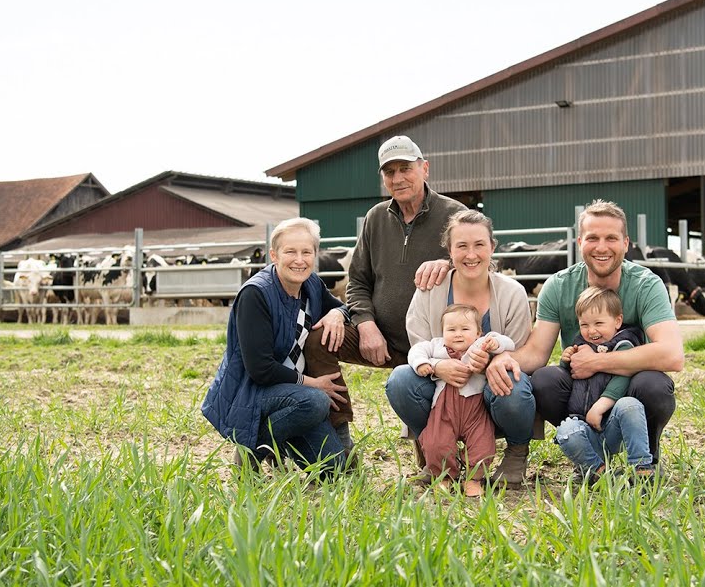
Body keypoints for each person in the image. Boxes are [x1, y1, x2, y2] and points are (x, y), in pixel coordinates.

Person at [484, 199, 685, 483]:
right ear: (580, 242)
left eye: (611, 238)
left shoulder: (646, 284)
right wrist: (506, 358)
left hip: (629, 390)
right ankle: (587, 450)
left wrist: (598, 361)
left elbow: (672, 354)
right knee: (543, 380)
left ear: (626, 243)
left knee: (654, 385)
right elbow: (537, 352)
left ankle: (647, 458)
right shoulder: (559, 285)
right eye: (593, 238)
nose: (601, 247)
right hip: (583, 392)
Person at [303, 135, 466, 453]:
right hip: (380, 340)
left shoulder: (455, 215)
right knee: (317, 339)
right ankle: (339, 437)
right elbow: (358, 282)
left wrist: (450, 263)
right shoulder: (375, 219)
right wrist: (364, 323)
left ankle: (442, 440)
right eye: (389, 172)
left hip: (436, 346)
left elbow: (487, 264)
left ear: (425, 169)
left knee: (435, 465)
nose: (398, 178)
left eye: (405, 168)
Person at [386, 209, 535, 485]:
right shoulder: (430, 290)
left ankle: (516, 452)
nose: (471, 254)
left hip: (489, 394)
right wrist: (439, 367)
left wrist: (490, 363)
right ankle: (435, 451)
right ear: (449, 251)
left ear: (492, 247)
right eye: (461, 246)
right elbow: (419, 342)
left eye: (479, 245)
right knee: (399, 380)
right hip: (442, 393)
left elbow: (516, 351)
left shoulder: (512, 292)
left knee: (513, 384)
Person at [200, 218, 352, 475]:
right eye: (290, 251)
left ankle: (280, 439)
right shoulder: (256, 294)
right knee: (316, 401)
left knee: (335, 469)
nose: (299, 260)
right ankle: (252, 449)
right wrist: (312, 383)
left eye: (306, 252)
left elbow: (340, 305)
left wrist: (339, 314)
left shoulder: (311, 285)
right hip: (252, 393)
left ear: (315, 255)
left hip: (292, 395)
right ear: (274, 255)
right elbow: (260, 370)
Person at [407, 303, 515, 497]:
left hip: (475, 410)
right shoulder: (436, 346)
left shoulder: (481, 344)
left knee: (483, 445)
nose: (458, 334)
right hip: (444, 409)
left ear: (478, 332)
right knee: (436, 442)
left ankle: (474, 479)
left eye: (465, 329)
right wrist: (424, 363)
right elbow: (415, 351)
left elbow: (509, 343)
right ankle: (445, 477)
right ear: (442, 331)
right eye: (451, 329)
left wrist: (495, 344)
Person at [554, 286, 654, 485]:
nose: (591, 331)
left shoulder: (623, 344)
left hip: (614, 425)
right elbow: (571, 375)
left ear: (617, 321)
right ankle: (599, 473)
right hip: (584, 426)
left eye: (599, 323)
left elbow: (623, 377)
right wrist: (566, 361)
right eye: (584, 324)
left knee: (630, 404)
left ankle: (642, 469)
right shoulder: (579, 345)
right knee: (565, 431)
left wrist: (599, 407)